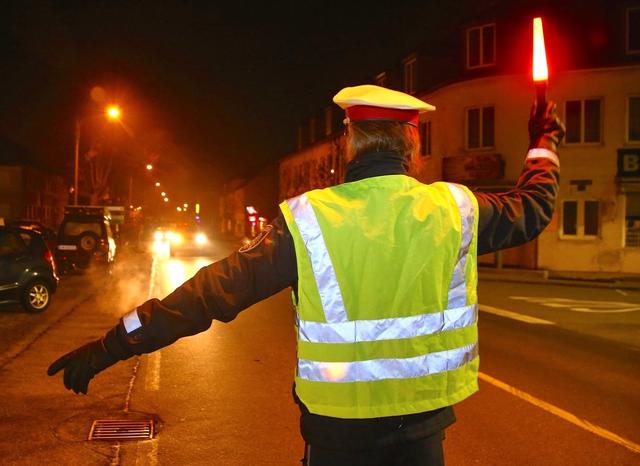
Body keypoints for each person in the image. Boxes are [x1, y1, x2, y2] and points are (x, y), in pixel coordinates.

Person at [48, 84, 565, 465]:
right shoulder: (456, 209)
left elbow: (205, 295)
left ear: (349, 143)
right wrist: (543, 140)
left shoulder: (308, 221)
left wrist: (110, 347)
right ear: (412, 141)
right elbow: (535, 205)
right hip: (423, 433)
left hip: (335, 437)